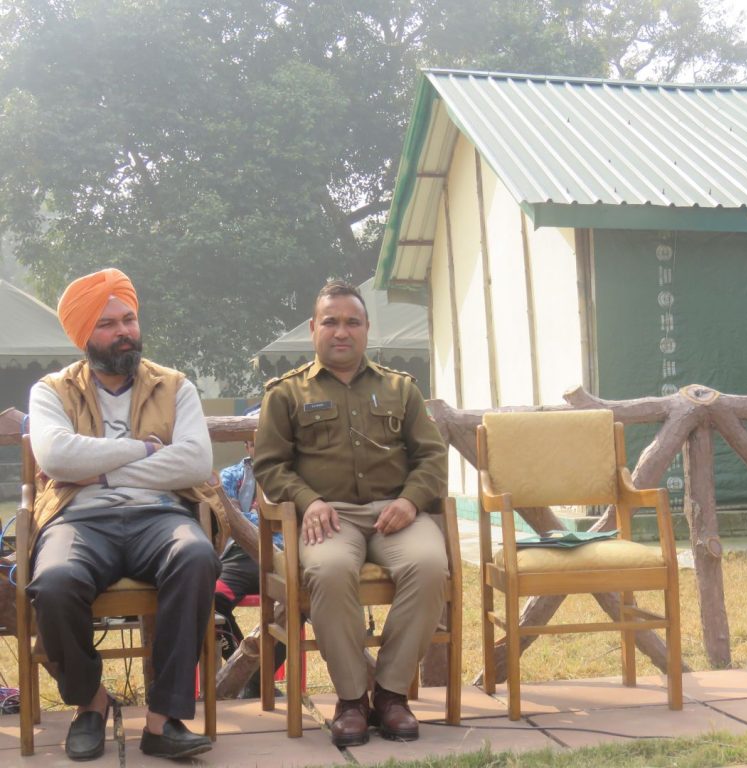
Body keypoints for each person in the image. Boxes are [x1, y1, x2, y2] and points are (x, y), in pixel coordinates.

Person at [26, 268, 219, 761]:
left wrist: (100, 472)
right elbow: (57, 457)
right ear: (84, 335)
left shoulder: (176, 387)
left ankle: (163, 720)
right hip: (78, 521)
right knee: (54, 582)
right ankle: (90, 703)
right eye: (107, 324)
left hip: (161, 516)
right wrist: (146, 449)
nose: (123, 332)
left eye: (129, 319)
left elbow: (195, 461)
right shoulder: (51, 390)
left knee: (196, 556)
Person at [253, 279, 448, 747]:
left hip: (396, 514)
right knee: (330, 570)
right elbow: (269, 466)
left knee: (429, 565)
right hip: (329, 517)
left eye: (352, 322)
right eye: (331, 322)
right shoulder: (286, 393)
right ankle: (351, 700)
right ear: (313, 329)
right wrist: (308, 501)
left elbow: (432, 457)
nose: (342, 331)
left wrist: (410, 500)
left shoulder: (401, 388)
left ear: (366, 329)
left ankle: (391, 695)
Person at [214, 411, 286, 696]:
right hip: (242, 555)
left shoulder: (293, 475)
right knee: (210, 601)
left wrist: (248, 518)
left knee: (297, 603)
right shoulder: (231, 475)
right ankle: (245, 675)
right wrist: (267, 520)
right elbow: (229, 518)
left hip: (284, 554)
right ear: (247, 445)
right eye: (255, 441)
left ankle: (255, 682)